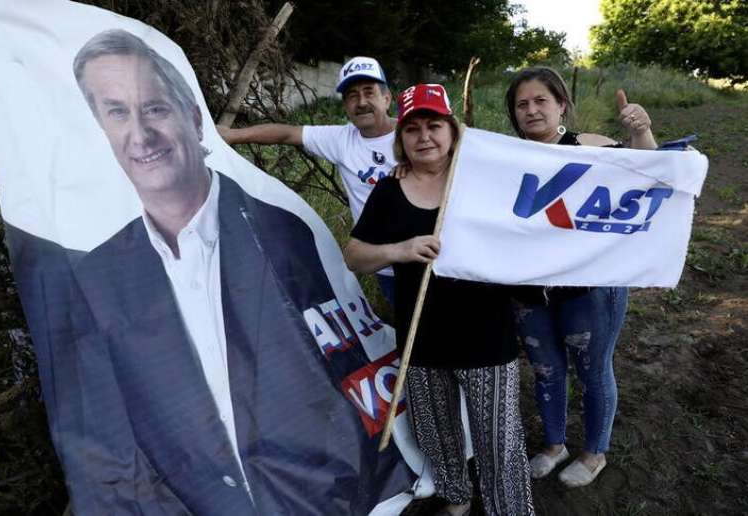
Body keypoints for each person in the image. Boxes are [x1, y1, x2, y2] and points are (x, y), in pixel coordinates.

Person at [46, 28, 416, 514]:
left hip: (421, 268)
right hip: (386, 267)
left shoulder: (284, 229)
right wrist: (233, 137)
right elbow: (287, 133)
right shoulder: (95, 277)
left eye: (155, 107)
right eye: (116, 112)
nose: (139, 132)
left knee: (426, 354)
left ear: (191, 117)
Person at [344, 83, 534, 516]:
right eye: (413, 129)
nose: (424, 137)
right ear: (401, 138)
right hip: (422, 338)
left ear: (453, 131)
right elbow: (355, 256)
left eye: (434, 126)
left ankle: (510, 508)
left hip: (487, 335)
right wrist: (400, 250)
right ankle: (455, 495)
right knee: (437, 431)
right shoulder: (390, 190)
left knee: (498, 438)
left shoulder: (481, 181)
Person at [504, 66, 657, 487]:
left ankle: (595, 452)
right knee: (546, 368)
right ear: (514, 114)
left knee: (592, 369)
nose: (532, 110)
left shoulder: (589, 145)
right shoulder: (503, 159)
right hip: (529, 289)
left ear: (561, 105)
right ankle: (554, 445)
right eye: (522, 104)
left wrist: (640, 131)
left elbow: (647, 173)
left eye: (541, 101)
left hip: (590, 288)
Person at [217, 56, 398, 305]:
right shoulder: (342, 140)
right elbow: (287, 134)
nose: (362, 102)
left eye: (370, 92)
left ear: (387, 98)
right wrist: (232, 135)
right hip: (383, 263)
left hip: (428, 255)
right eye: (353, 96)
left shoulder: (414, 135)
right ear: (345, 105)